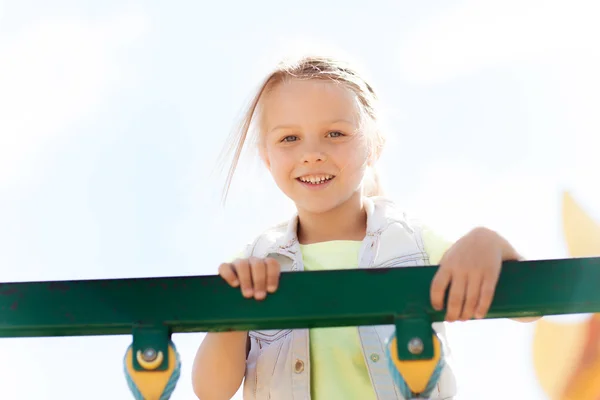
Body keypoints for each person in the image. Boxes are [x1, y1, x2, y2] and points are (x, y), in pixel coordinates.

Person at [192, 54, 537, 400]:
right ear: (266, 157)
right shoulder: (255, 262)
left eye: (335, 133)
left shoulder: (411, 241)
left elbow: (529, 310)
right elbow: (210, 391)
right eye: (289, 139)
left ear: (374, 146)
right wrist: (233, 314)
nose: (312, 153)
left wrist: (488, 242)